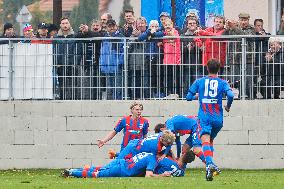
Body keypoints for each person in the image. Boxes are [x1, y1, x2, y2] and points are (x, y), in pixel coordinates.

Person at [186, 59, 234, 181]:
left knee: (205, 142)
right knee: (210, 141)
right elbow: (231, 95)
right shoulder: (222, 83)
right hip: (218, 118)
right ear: (219, 69)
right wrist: (228, 106)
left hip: (205, 117)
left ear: (207, 68)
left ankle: (209, 164)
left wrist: (199, 96)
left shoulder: (199, 81)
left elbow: (188, 97)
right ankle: (209, 170)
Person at [62, 149, 195, 178]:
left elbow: (148, 173)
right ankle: (72, 172)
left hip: (123, 162)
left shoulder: (152, 155)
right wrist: (162, 175)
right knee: (97, 173)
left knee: (98, 170)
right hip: (124, 169)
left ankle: (72, 170)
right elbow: (148, 174)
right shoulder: (180, 172)